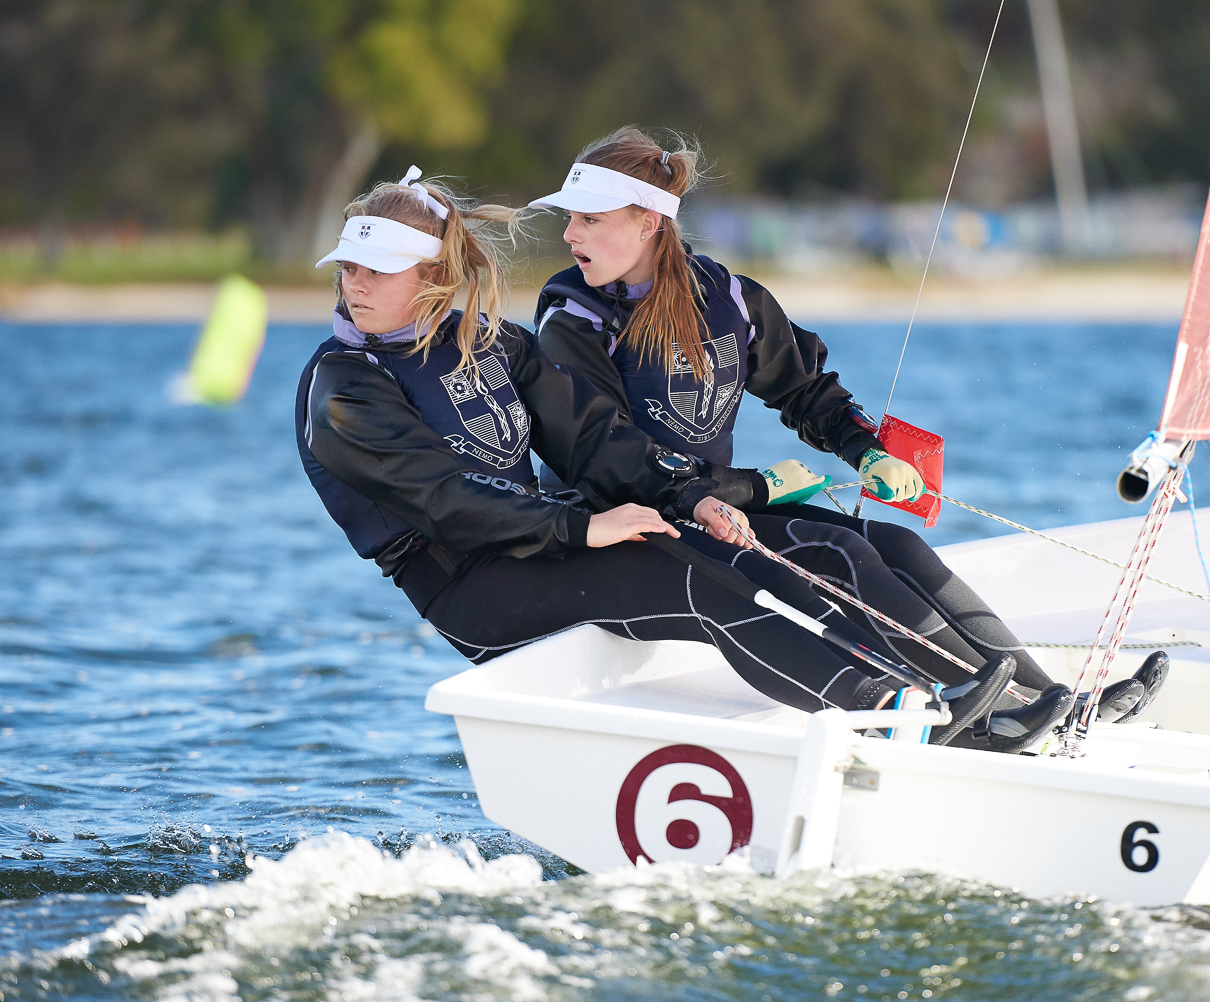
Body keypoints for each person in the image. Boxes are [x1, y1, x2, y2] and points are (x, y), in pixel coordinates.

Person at [293, 166, 996, 719]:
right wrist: (584, 525)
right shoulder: (343, 388)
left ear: (434, 276)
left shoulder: (496, 343)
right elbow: (445, 501)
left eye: (373, 270)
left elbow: (595, 442)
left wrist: (692, 498)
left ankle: (969, 699)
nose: (352, 285)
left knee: (730, 552)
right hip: (469, 587)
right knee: (702, 578)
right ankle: (891, 709)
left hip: (544, 547)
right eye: (347, 268)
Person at [527, 128, 1101, 749]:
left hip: (714, 508)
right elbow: (600, 455)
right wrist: (756, 488)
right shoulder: (573, 320)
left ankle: (1048, 702)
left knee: (899, 546)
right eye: (569, 219)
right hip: (625, 525)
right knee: (835, 552)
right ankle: (983, 717)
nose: (569, 235)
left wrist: (866, 449)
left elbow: (804, 390)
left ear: (648, 223)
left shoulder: (730, 299)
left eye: (587, 218)